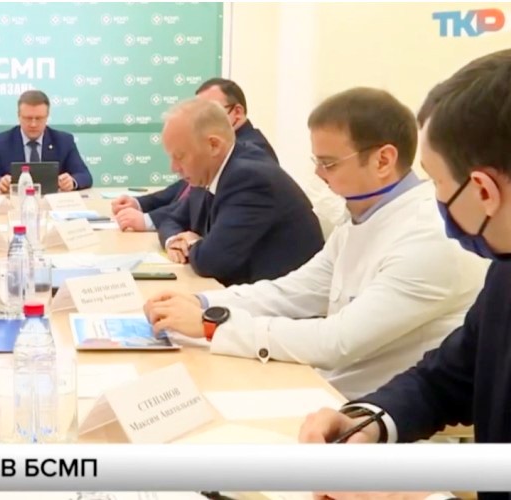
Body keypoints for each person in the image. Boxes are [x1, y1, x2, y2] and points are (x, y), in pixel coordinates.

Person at [298, 43, 511, 500]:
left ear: (483, 191)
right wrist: (367, 421)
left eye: (436, 181)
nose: (432, 198)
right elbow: (446, 378)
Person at [143, 88, 487, 399]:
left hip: (375, 408)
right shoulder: (362, 219)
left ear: (383, 160)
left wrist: (211, 324)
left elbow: (337, 341)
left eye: (329, 163)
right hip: (331, 386)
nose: (320, 175)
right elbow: (295, 290)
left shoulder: (429, 235)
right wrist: (202, 301)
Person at [153, 98, 323, 286]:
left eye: (180, 156)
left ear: (213, 145)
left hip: (279, 298)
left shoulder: (249, 179)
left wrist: (193, 244)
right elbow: (171, 219)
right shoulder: (209, 172)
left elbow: (212, 261)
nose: (173, 168)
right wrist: (175, 242)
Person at [113, 78, 279, 232]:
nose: (200, 119)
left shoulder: (250, 156)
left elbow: (199, 209)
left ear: (237, 112)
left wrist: (149, 220)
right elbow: (186, 189)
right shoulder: (216, 154)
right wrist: (141, 203)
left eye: (212, 111)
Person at [0, 90, 92, 193]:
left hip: (53, 205)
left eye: (39, 118)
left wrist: (72, 181)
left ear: (47, 116)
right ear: (19, 116)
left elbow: (84, 175)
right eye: (28, 118)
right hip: (15, 204)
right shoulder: (1, 142)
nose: (33, 124)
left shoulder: (64, 141)